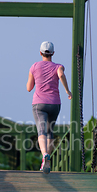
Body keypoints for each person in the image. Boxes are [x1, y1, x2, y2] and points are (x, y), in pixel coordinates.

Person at [27, 41, 72, 174]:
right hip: (55, 103)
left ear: (40, 53)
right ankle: (49, 159)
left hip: (39, 104)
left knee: (41, 131)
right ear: (53, 53)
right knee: (49, 131)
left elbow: (29, 88)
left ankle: (44, 155)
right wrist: (67, 91)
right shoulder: (59, 66)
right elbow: (61, 75)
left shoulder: (34, 66)